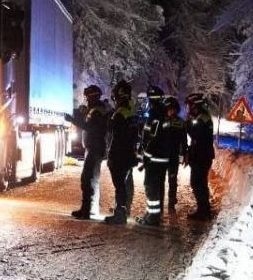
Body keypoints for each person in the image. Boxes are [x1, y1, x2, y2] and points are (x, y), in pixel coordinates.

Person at [64, 85, 110, 220]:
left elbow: (89, 126)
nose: (86, 100)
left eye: (88, 97)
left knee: (88, 178)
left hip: (95, 148)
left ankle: (87, 210)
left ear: (93, 97)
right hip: (93, 147)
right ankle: (91, 209)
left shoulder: (97, 111)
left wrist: (73, 119)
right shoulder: (96, 110)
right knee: (91, 178)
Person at [137, 86, 177, 226]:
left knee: (150, 186)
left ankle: (152, 218)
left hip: (155, 159)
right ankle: (153, 214)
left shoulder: (155, 114)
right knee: (158, 187)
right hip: (162, 159)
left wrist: (145, 156)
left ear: (151, 100)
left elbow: (152, 139)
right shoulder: (163, 114)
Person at [103, 79, 140, 225]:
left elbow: (115, 137)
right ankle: (123, 210)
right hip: (129, 154)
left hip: (119, 155)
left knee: (119, 185)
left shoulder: (119, 114)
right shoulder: (132, 112)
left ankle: (120, 213)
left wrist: (111, 156)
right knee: (125, 184)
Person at [185, 92, 216, 220]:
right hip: (201, 155)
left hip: (202, 156)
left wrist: (187, 124)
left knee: (197, 183)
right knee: (200, 182)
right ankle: (204, 209)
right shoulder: (202, 116)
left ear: (194, 105)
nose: (188, 107)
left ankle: (203, 210)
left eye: (189, 104)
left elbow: (196, 135)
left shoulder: (202, 118)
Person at [164, 96, 187, 213]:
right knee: (160, 180)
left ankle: (171, 202)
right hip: (162, 155)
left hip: (173, 156)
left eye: (173, 109)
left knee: (172, 180)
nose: (171, 111)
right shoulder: (162, 120)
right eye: (169, 109)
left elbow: (184, 141)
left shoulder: (181, 123)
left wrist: (185, 154)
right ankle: (159, 202)